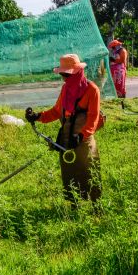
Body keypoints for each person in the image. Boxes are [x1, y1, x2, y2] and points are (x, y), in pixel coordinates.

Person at [25, 53, 102, 204]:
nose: (65, 78)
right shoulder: (66, 89)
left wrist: (81, 136)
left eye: (67, 74)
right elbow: (56, 112)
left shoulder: (92, 89)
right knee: (70, 174)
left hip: (84, 140)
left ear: (78, 72)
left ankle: (95, 207)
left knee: (88, 172)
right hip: (66, 138)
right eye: (63, 75)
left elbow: (94, 118)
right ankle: (74, 207)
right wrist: (37, 116)